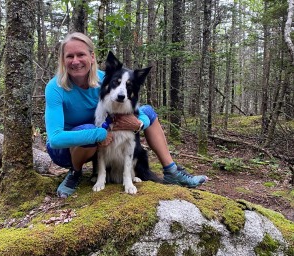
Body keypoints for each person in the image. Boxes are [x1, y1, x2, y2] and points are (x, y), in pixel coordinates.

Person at [45, 32, 207, 198]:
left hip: (93, 146)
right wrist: (99, 134)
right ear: (63, 59)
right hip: (64, 149)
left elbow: (144, 112)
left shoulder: (107, 79)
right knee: (89, 129)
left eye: (81, 54)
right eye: (69, 56)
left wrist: (138, 124)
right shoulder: (55, 87)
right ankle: (75, 174)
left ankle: (171, 171)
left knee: (148, 112)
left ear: (92, 57)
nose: (76, 61)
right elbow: (56, 139)